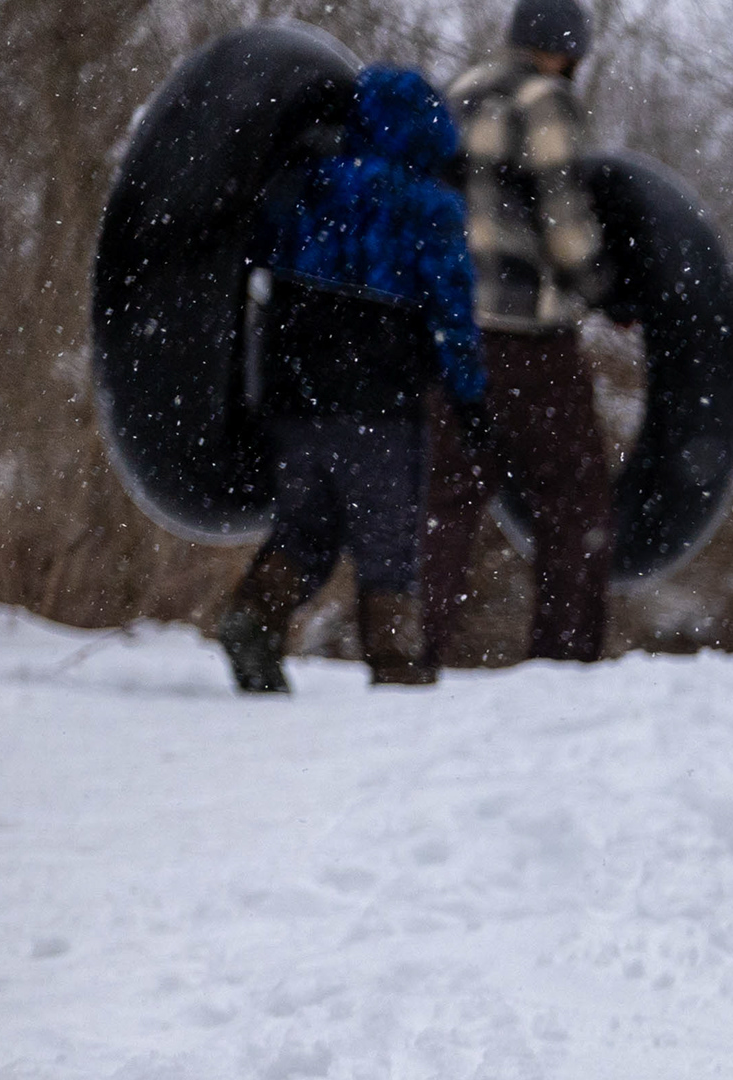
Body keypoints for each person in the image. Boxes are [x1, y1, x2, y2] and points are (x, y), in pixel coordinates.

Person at [213, 65, 491, 695]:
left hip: (292, 391)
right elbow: (452, 311)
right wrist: (469, 395)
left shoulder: (302, 184)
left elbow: (248, 256)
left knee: (306, 526)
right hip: (380, 401)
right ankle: (395, 664)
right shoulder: (428, 207)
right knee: (389, 536)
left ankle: (254, 615)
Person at [419, 0, 612, 669]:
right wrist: (605, 289)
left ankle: (413, 649)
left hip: (454, 331)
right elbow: (565, 224)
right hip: (529, 338)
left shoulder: (458, 92)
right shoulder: (544, 100)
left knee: (447, 499)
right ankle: (565, 659)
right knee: (574, 497)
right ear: (567, 48)